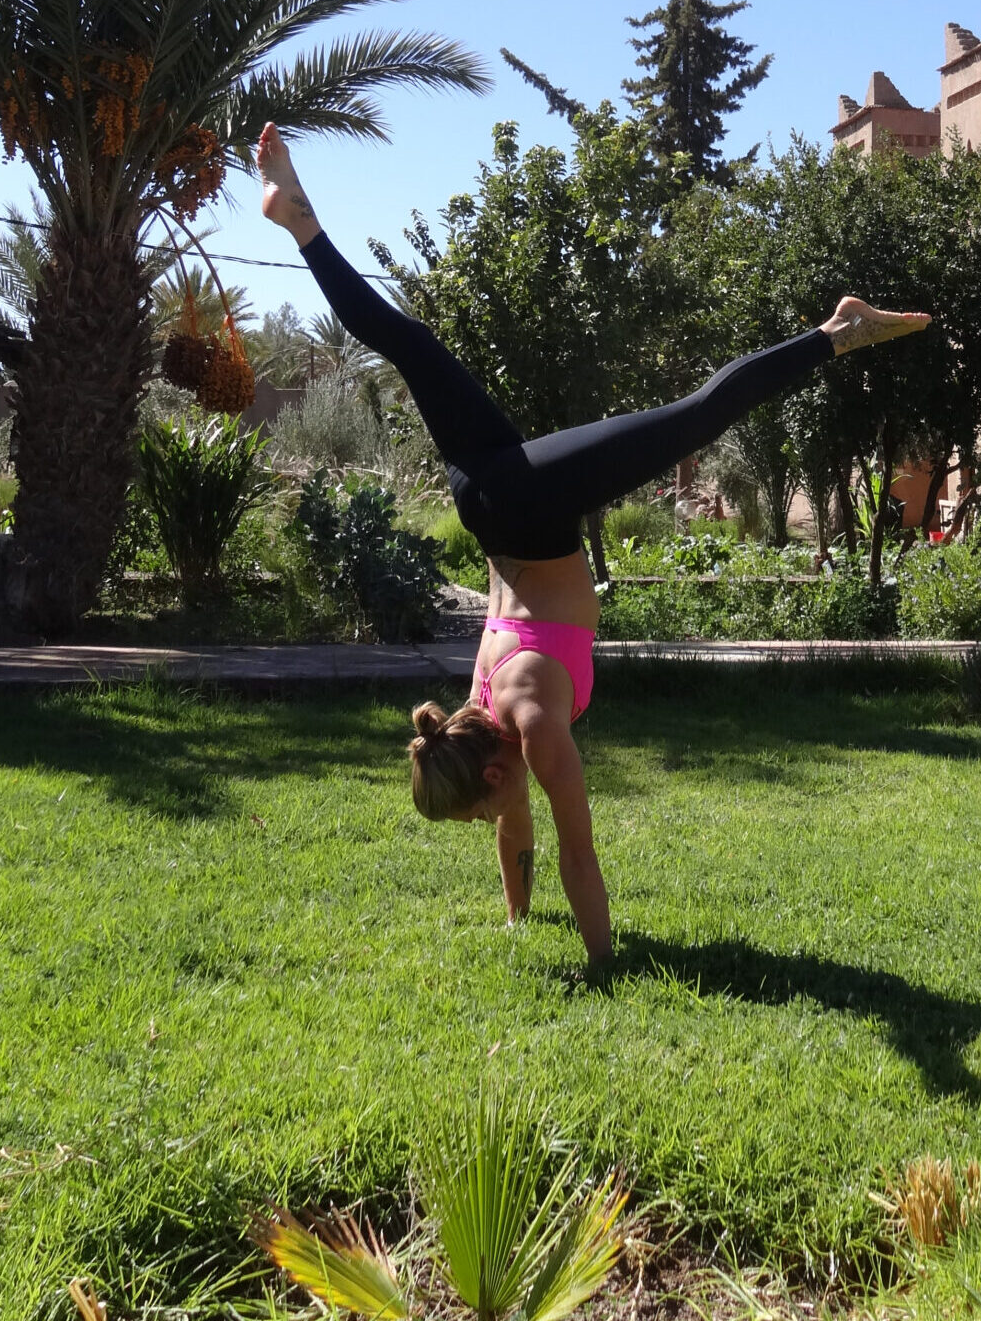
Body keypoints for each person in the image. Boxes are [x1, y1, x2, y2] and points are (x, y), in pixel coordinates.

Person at [256, 122, 928, 965]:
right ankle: (302, 222)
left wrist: (604, 967)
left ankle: (837, 330)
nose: (491, 821)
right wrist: (516, 917)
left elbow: (576, 850)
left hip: (530, 507)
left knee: (697, 416)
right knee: (410, 345)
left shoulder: (532, 724)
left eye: (478, 810)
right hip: (485, 497)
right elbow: (514, 820)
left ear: (490, 775)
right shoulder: (477, 717)